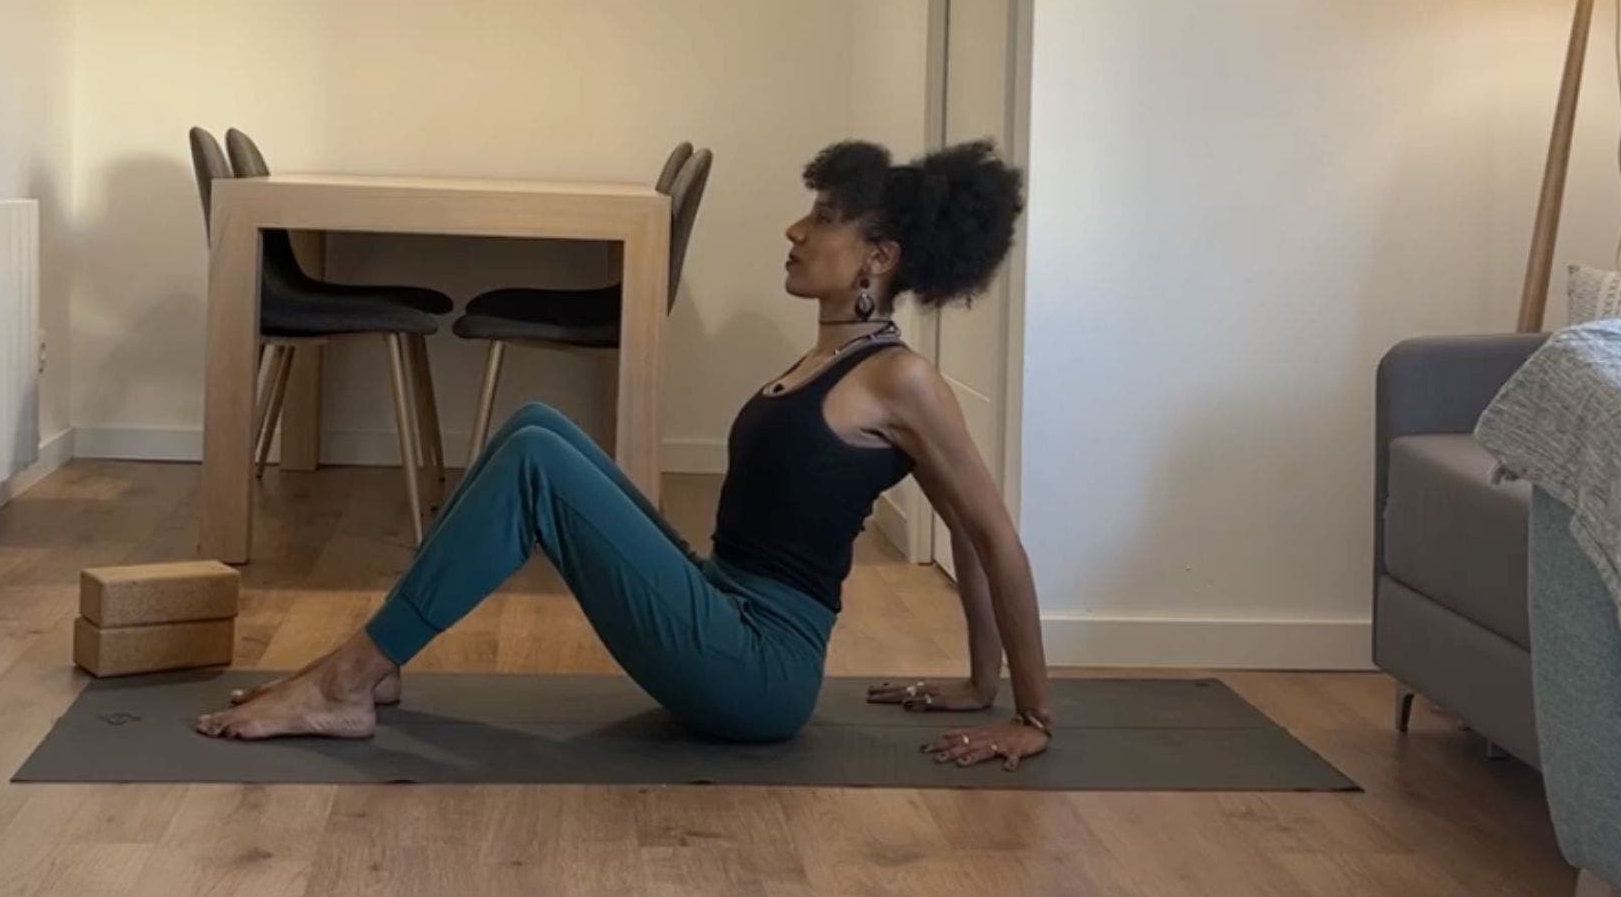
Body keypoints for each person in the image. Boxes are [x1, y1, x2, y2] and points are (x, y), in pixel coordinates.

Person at [197, 139, 1054, 769]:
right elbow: (964, 535)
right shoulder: (829, 361)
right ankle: (368, 669)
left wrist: (1027, 714)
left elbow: (990, 539)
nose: (796, 228)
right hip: (722, 606)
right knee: (536, 426)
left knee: (538, 464)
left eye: (825, 218)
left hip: (757, 670)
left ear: (880, 256)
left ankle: (348, 681)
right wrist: (974, 681)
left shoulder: (902, 379)